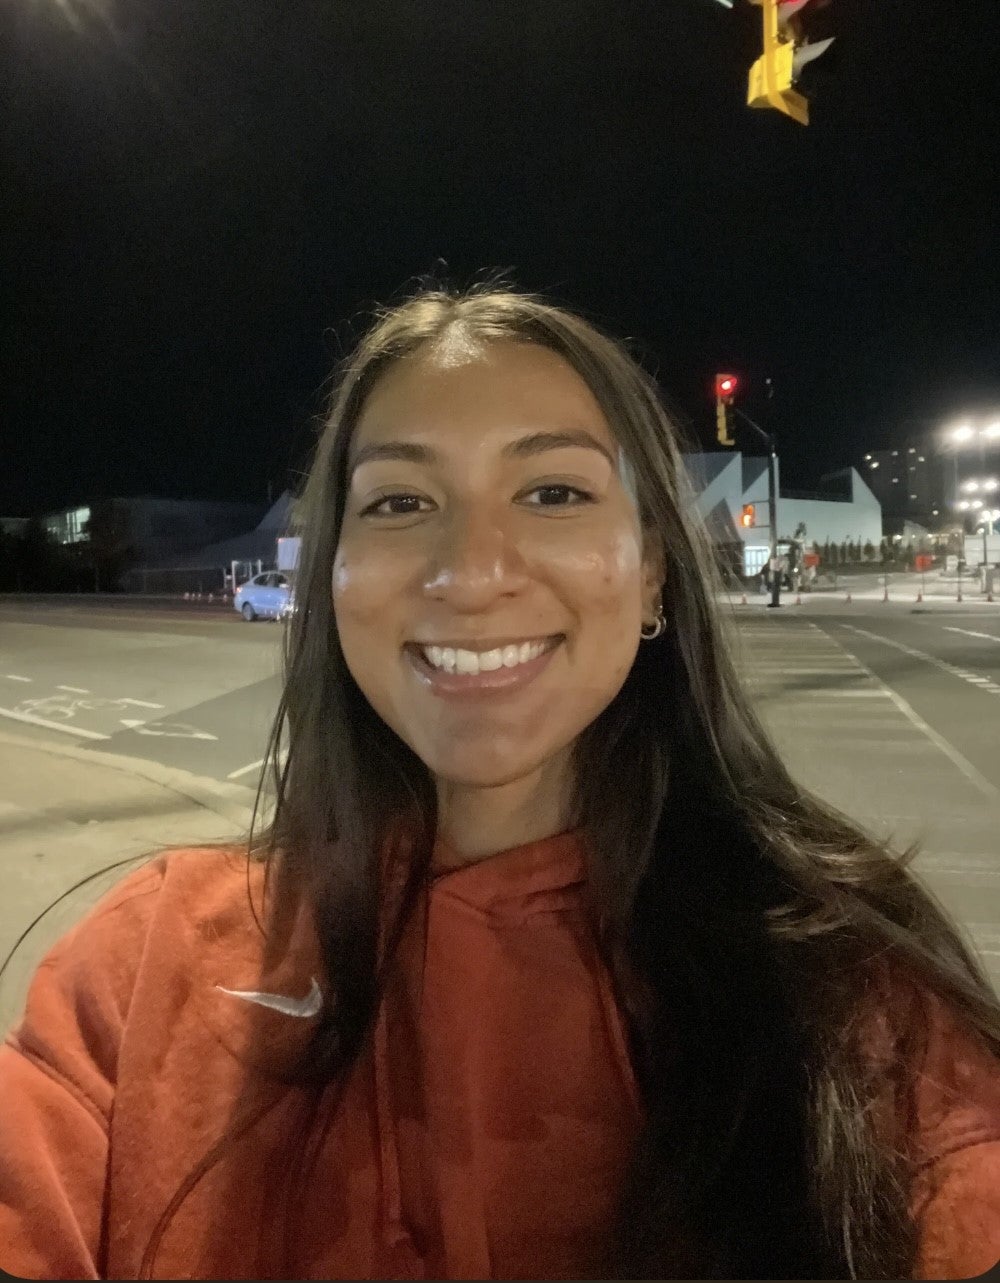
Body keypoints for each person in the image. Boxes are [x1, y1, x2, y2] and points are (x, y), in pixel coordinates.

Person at [2, 283, 1000, 1281]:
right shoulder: (140, 971)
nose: (472, 572)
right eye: (400, 502)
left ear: (652, 568)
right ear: (333, 572)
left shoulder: (856, 1000)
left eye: (553, 492)